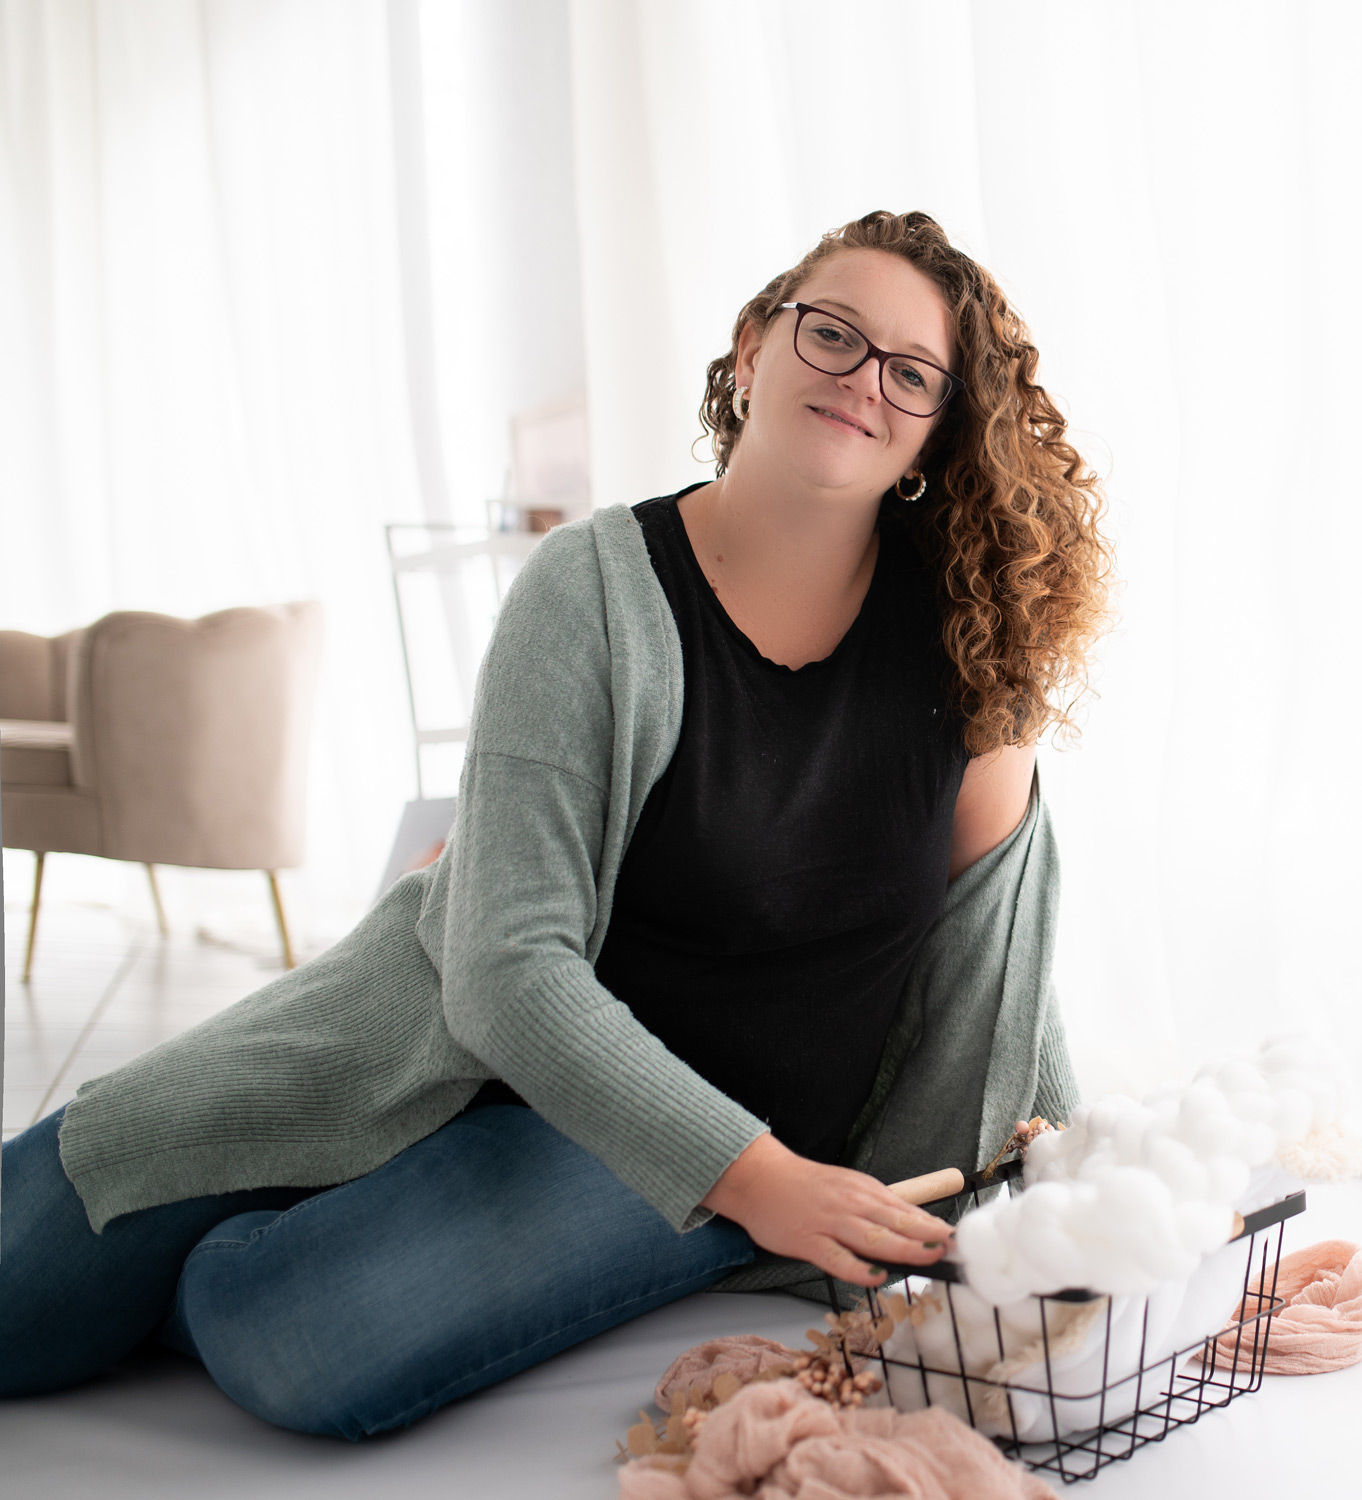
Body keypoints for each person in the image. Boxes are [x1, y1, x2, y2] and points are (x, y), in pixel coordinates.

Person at [0, 210, 1111, 1440]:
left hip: (691, 1147)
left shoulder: (973, 657)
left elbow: (996, 978)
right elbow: (506, 969)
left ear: (936, 430)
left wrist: (1082, 1185)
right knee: (26, 1266)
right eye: (832, 335)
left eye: (912, 373)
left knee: (283, 1332)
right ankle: (314, 1177)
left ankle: (285, 1238)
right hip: (437, 1035)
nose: (863, 382)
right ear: (752, 350)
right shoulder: (590, 587)